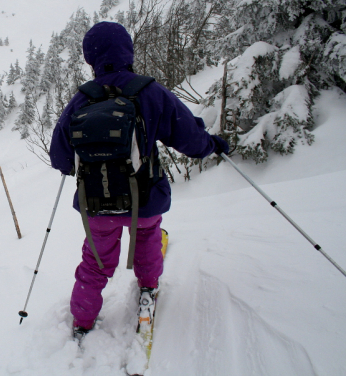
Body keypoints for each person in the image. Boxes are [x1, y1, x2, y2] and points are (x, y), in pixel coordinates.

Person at [49, 21, 228, 338]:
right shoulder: (150, 92)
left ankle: (83, 319)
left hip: (95, 205)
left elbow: (60, 158)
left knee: (95, 261)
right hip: (143, 199)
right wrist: (213, 145)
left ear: (90, 57)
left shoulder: (80, 100)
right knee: (147, 239)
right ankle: (148, 287)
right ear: (127, 50)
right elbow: (189, 137)